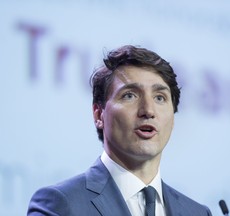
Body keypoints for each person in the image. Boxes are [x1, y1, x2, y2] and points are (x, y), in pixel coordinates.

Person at [27, 45, 212, 216]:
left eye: (160, 98)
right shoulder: (61, 205)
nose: (148, 110)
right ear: (99, 115)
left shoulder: (197, 213)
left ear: (173, 118)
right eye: (129, 95)